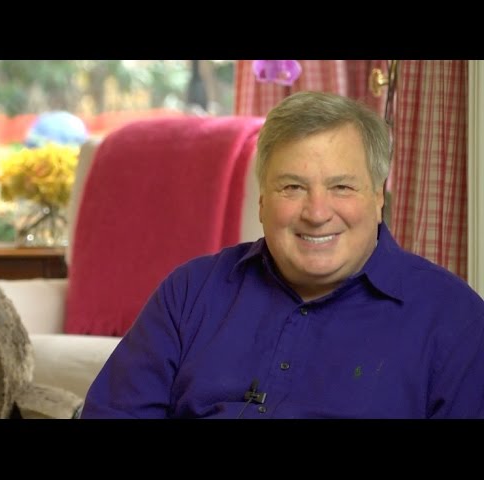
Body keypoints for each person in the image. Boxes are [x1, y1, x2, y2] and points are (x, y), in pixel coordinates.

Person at [79, 91, 484, 419]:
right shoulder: (190, 292)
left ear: (378, 198)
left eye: (342, 187)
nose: (317, 213)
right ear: (262, 201)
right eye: (292, 187)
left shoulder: (454, 320)